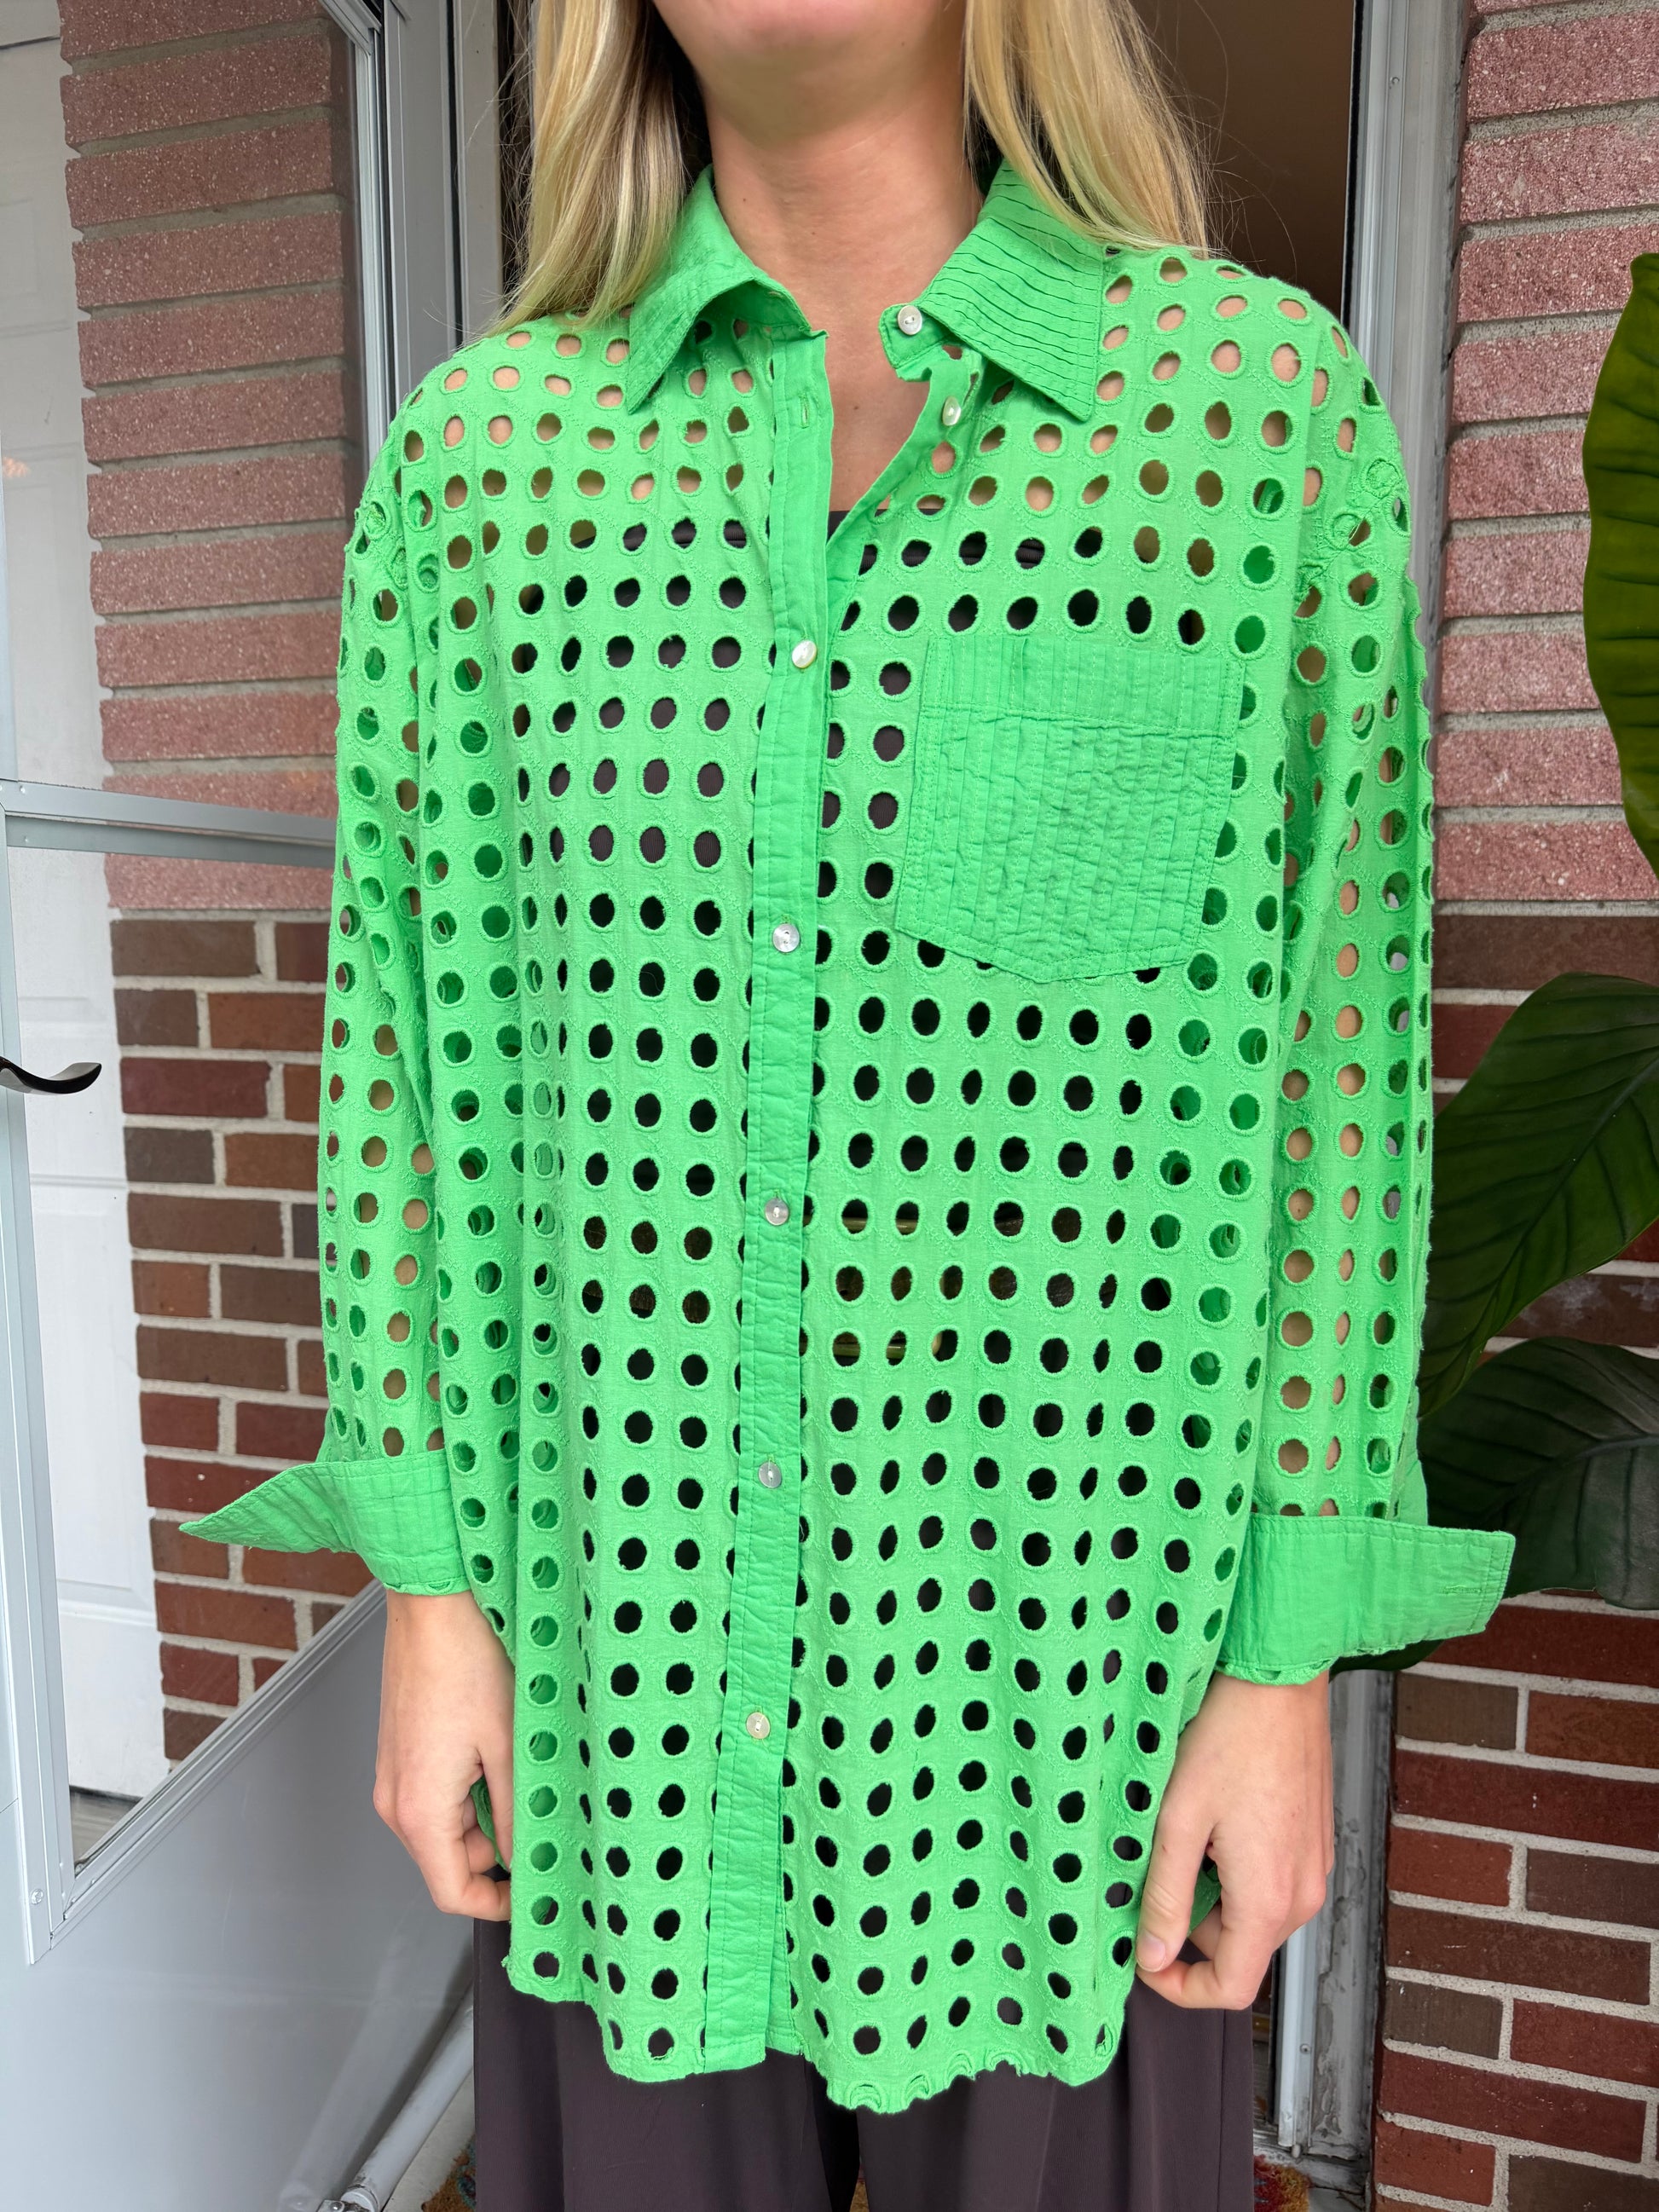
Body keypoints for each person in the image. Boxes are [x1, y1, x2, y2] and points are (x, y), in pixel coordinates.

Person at [183, 0, 1515, 2203]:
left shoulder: (1246, 422)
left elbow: (1330, 1096)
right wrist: (431, 1602)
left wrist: (1280, 1673)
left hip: (1078, 1711)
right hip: (620, 1695)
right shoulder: (482, 467)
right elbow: (406, 1066)